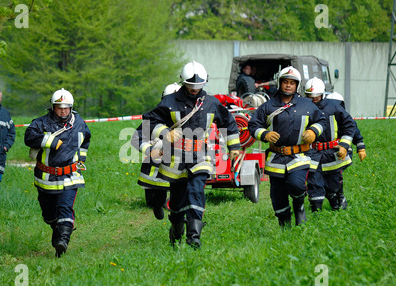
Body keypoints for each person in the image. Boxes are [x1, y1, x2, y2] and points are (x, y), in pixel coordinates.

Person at [142, 61, 241, 248]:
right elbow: (149, 121)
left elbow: (228, 122)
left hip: (201, 155)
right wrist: (165, 133)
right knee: (178, 203)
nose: (194, 89)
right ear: (183, 82)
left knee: (196, 189)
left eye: (198, 85)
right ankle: (176, 230)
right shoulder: (169, 102)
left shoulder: (211, 103)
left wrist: (233, 147)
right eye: (190, 85)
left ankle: (194, 236)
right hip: (175, 159)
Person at [248, 67, 326, 228]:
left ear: (297, 85)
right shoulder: (268, 106)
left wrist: (313, 131)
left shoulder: (307, 105)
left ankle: (299, 206)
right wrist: (264, 135)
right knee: (278, 195)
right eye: (285, 82)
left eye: (292, 83)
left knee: (297, 184)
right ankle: (285, 226)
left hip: (299, 156)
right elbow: (253, 125)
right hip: (276, 158)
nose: (288, 85)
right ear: (280, 83)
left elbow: (322, 121)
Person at [24, 88, 91, 257]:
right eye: (59, 107)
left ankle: (62, 242)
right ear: (53, 107)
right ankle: (56, 228)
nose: (63, 110)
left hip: (70, 176)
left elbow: (86, 140)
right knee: (49, 215)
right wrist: (49, 141)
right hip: (46, 177)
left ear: (71, 107)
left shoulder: (79, 123)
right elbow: (28, 137)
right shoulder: (41, 123)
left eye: (66, 107)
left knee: (65, 209)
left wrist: (81, 159)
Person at [304, 78, 357, 212]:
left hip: (331, 153)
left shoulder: (334, 107)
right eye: (309, 96)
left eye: (315, 97)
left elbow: (350, 125)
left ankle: (337, 199)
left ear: (322, 94)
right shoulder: (302, 108)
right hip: (312, 153)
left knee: (333, 184)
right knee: (314, 184)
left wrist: (344, 145)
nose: (313, 99)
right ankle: (316, 213)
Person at [131, 83, 181, 220]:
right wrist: (150, 150)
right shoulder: (155, 117)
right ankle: (157, 203)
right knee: (156, 198)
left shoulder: (186, 115)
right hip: (157, 166)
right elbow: (136, 138)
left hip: (181, 164)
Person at [326, 91, 366, 209]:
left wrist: (361, 148)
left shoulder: (346, 119)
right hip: (326, 153)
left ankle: (339, 197)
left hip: (344, 153)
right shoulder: (322, 118)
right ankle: (334, 196)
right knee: (324, 178)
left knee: (334, 175)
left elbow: (356, 134)